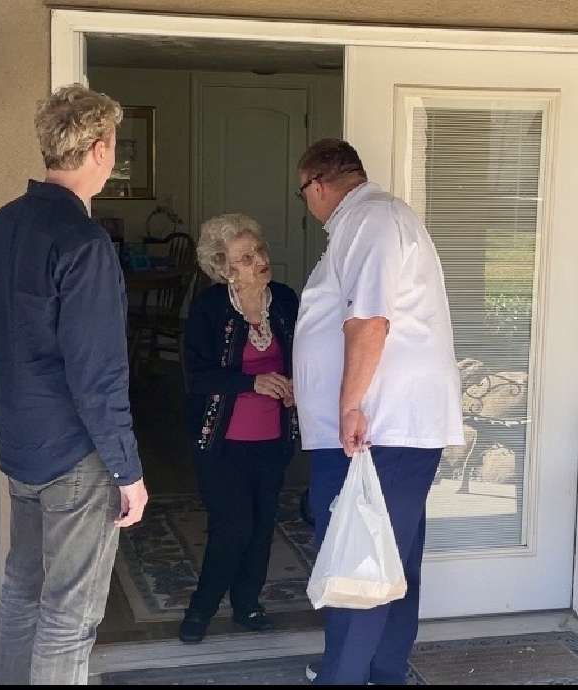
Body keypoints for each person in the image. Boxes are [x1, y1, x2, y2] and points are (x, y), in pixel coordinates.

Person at [0, 84, 148, 685]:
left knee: (22, 593)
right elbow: (98, 375)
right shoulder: (83, 241)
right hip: (76, 454)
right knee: (68, 618)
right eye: (114, 146)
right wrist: (129, 471)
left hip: (19, 445)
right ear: (99, 148)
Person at [293, 139, 464, 684]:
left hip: (375, 428)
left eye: (303, 194)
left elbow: (368, 321)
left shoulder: (370, 219)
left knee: (358, 563)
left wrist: (347, 404)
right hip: (388, 427)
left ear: (317, 185)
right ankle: (385, 672)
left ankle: (344, 677)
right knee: (389, 560)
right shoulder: (370, 221)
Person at [179, 213, 300, 643]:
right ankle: (201, 609)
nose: (259, 261)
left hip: (272, 439)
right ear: (225, 268)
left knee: (264, 525)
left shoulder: (284, 300)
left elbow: (305, 356)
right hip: (223, 442)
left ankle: (248, 605)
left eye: (260, 251)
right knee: (233, 528)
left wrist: (295, 388)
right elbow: (198, 376)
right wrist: (251, 382)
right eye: (246, 258)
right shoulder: (211, 309)